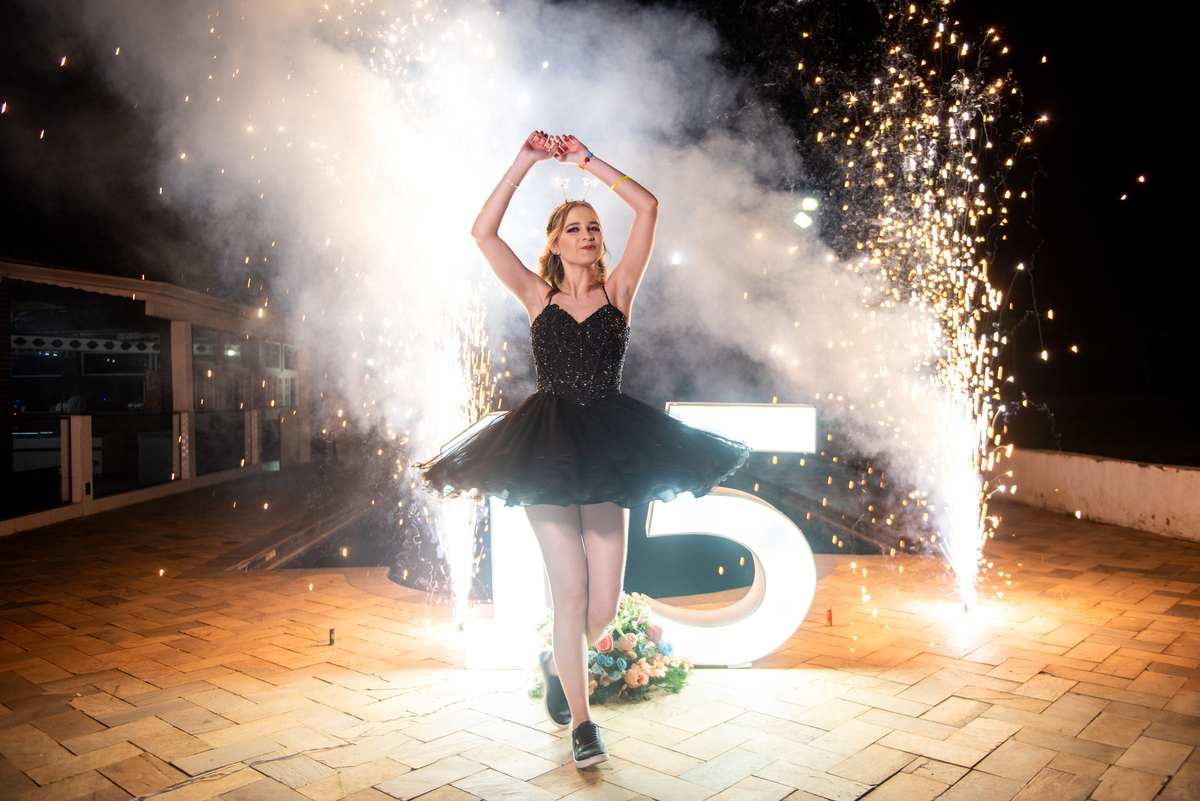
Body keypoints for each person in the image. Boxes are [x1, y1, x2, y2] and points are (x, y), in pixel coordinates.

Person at [421, 131, 748, 768]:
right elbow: (483, 234)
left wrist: (586, 163)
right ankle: (583, 725)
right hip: (544, 448)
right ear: (556, 241)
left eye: (594, 225)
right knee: (568, 596)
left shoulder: (619, 290)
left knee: (600, 609)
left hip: (611, 446)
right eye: (576, 227)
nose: (590, 234)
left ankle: (554, 658)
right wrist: (524, 161)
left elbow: (649, 208)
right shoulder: (535, 295)